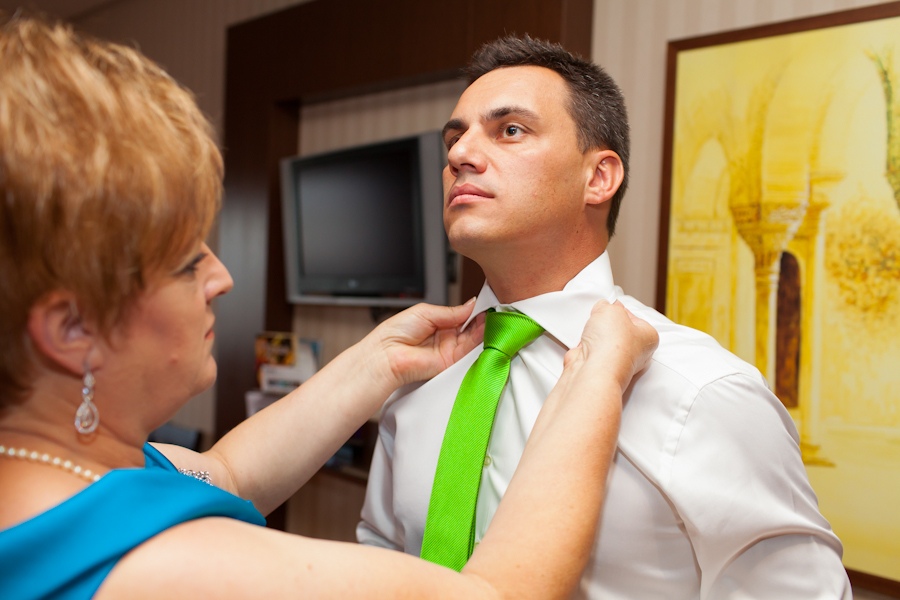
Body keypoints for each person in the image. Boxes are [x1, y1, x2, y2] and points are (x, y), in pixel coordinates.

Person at [0, 15, 662, 599]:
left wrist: (373, 363)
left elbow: (227, 474)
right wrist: (594, 380)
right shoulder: (155, 568)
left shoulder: (56, 472)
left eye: (510, 130)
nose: (222, 277)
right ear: (72, 329)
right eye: (185, 263)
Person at [358, 34, 853, 598]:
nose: (459, 155)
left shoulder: (704, 392)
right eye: (456, 136)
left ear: (598, 178)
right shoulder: (419, 373)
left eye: (510, 130)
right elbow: (383, 547)